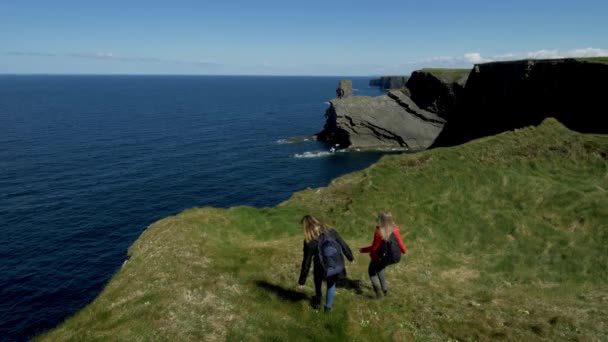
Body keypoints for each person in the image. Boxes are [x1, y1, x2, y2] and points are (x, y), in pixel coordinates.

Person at [298, 215, 354, 311]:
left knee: (317, 280)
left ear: (306, 227)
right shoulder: (331, 231)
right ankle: (328, 308)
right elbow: (343, 244)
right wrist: (350, 257)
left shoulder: (309, 241)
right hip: (334, 265)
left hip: (319, 267)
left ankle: (318, 300)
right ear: (316, 221)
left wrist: (302, 281)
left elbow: (306, 263)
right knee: (331, 284)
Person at [359, 212, 407, 298]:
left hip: (378, 256)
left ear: (381, 220)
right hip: (391, 257)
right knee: (380, 268)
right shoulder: (395, 229)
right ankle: (385, 290)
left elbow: (374, 248)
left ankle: (378, 292)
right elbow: (400, 243)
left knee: (372, 271)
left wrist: (363, 250)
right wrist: (403, 251)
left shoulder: (379, 232)